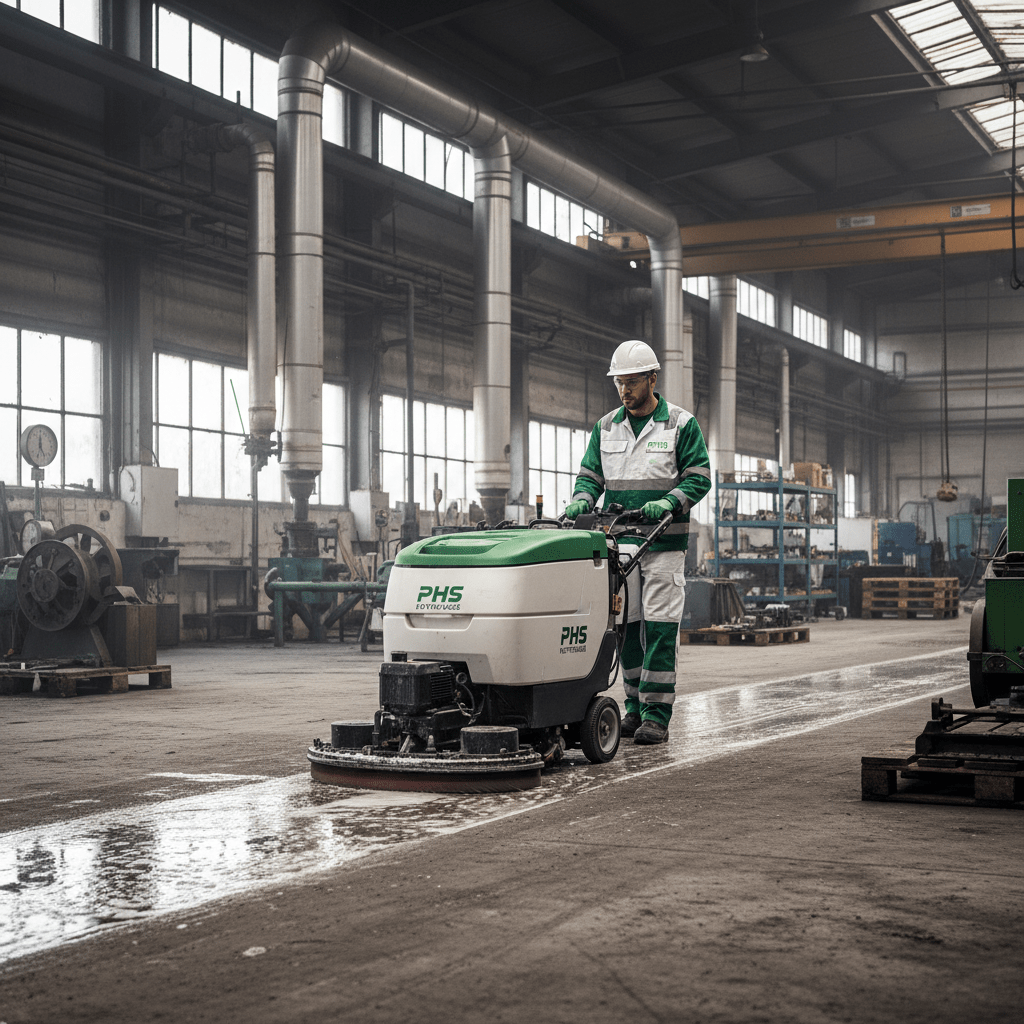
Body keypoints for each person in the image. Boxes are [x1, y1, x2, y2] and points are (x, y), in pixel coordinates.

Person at [564, 340, 711, 745]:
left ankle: (657, 715)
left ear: (652, 379)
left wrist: (669, 502)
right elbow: (590, 475)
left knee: (660, 629)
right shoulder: (605, 426)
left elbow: (699, 477)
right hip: (621, 544)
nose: (624, 390)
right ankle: (633, 708)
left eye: (631, 382)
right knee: (625, 628)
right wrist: (582, 499)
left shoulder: (681, 424)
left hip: (664, 545)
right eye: (619, 383)